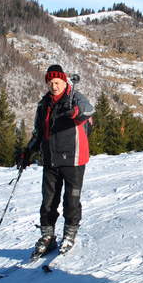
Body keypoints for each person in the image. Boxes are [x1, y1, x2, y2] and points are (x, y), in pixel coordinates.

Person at [17, 64, 94, 258]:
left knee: (71, 200)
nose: (54, 85)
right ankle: (47, 237)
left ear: (64, 81)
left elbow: (88, 110)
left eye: (57, 81)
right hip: (51, 159)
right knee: (48, 201)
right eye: (50, 82)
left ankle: (69, 234)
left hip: (74, 158)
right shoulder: (44, 105)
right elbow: (38, 132)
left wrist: (76, 112)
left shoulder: (74, 97)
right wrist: (28, 151)